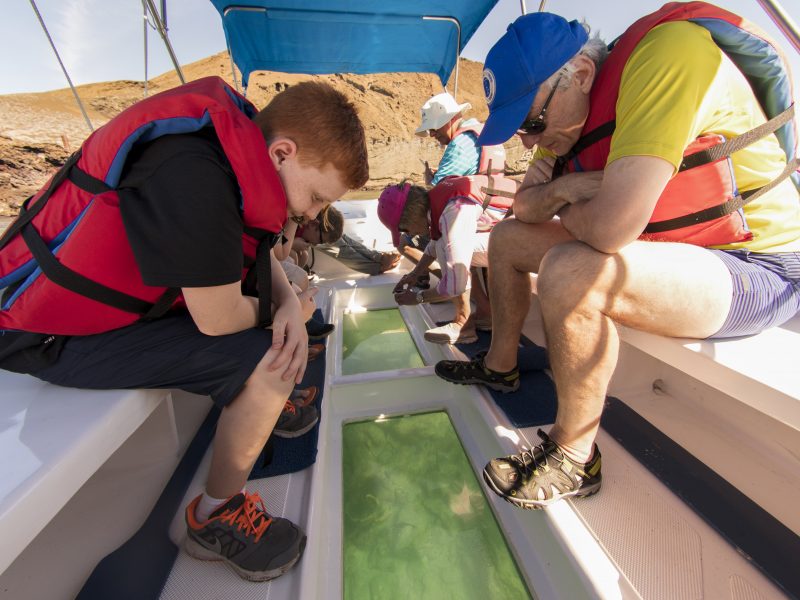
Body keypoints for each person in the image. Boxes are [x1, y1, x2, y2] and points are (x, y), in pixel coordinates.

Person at [0, 76, 368, 580]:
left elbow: (260, 260)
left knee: (282, 320)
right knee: (270, 357)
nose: (312, 214)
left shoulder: (225, 156)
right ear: (282, 153)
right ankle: (213, 515)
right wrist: (287, 318)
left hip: (104, 318)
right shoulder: (195, 177)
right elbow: (217, 320)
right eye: (317, 197)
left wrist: (285, 302)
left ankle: (263, 412)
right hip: (48, 337)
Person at [435, 6, 800, 510]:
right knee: (509, 239)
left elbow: (609, 229)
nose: (531, 141)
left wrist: (570, 203)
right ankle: (502, 367)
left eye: (533, 123)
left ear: (580, 75)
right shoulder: (564, 117)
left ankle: (574, 456)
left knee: (572, 271)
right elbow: (524, 206)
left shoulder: (665, 57)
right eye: (521, 130)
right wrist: (571, 188)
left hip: (757, 264)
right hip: (676, 255)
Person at [378, 174, 517, 343]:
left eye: (404, 229)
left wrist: (418, 298)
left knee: (448, 248)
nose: (410, 234)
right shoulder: (438, 197)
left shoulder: (454, 210)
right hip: (516, 231)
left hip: (535, 238)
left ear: (412, 216)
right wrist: (414, 274)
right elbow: (434, 243)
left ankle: (463, 325)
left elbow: (454, 285)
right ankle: (485, 317)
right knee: (445, 245)